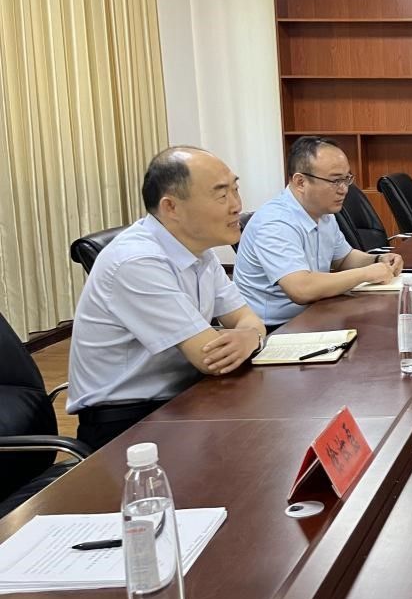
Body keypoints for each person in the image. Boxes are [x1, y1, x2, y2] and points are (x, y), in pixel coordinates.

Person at [67, 147, 267, 449]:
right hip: (127, 425)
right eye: (221, 195)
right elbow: (210, 358)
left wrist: (250, 335)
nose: (236, 205)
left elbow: (246, 319)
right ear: (171, 207)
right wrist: (249, 334)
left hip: (184, 398)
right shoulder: (136, 261)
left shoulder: (199, 250)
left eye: (235, 190)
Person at [234, 136, 402, 328]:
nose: (344, 189)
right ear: (300, 182)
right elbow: (301, 289)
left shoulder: (322, 212)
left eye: (346, 179)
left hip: (316, 312)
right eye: (335, 180)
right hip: (276, 328)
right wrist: (366, 274)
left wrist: (378, 260)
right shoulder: (275, 222)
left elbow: (344, 259)